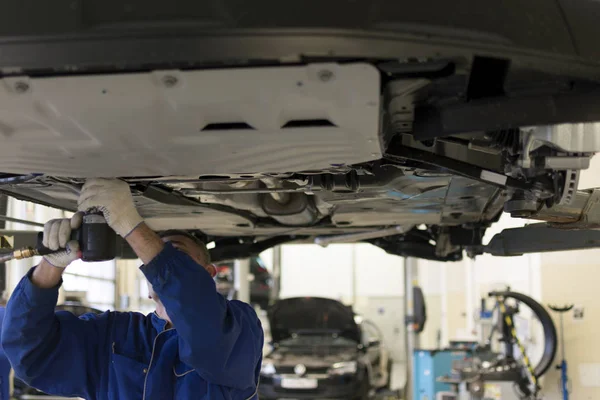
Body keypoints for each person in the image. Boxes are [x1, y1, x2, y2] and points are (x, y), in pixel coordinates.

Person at [1, 179, 263, 400]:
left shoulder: (239, 326)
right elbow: (32, 356)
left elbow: (204, 329)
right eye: (152, 260)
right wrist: (50, 265)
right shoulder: (116, 334)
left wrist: (131, 224)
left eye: (178, 256)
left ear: (208, 275)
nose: (158, 265)